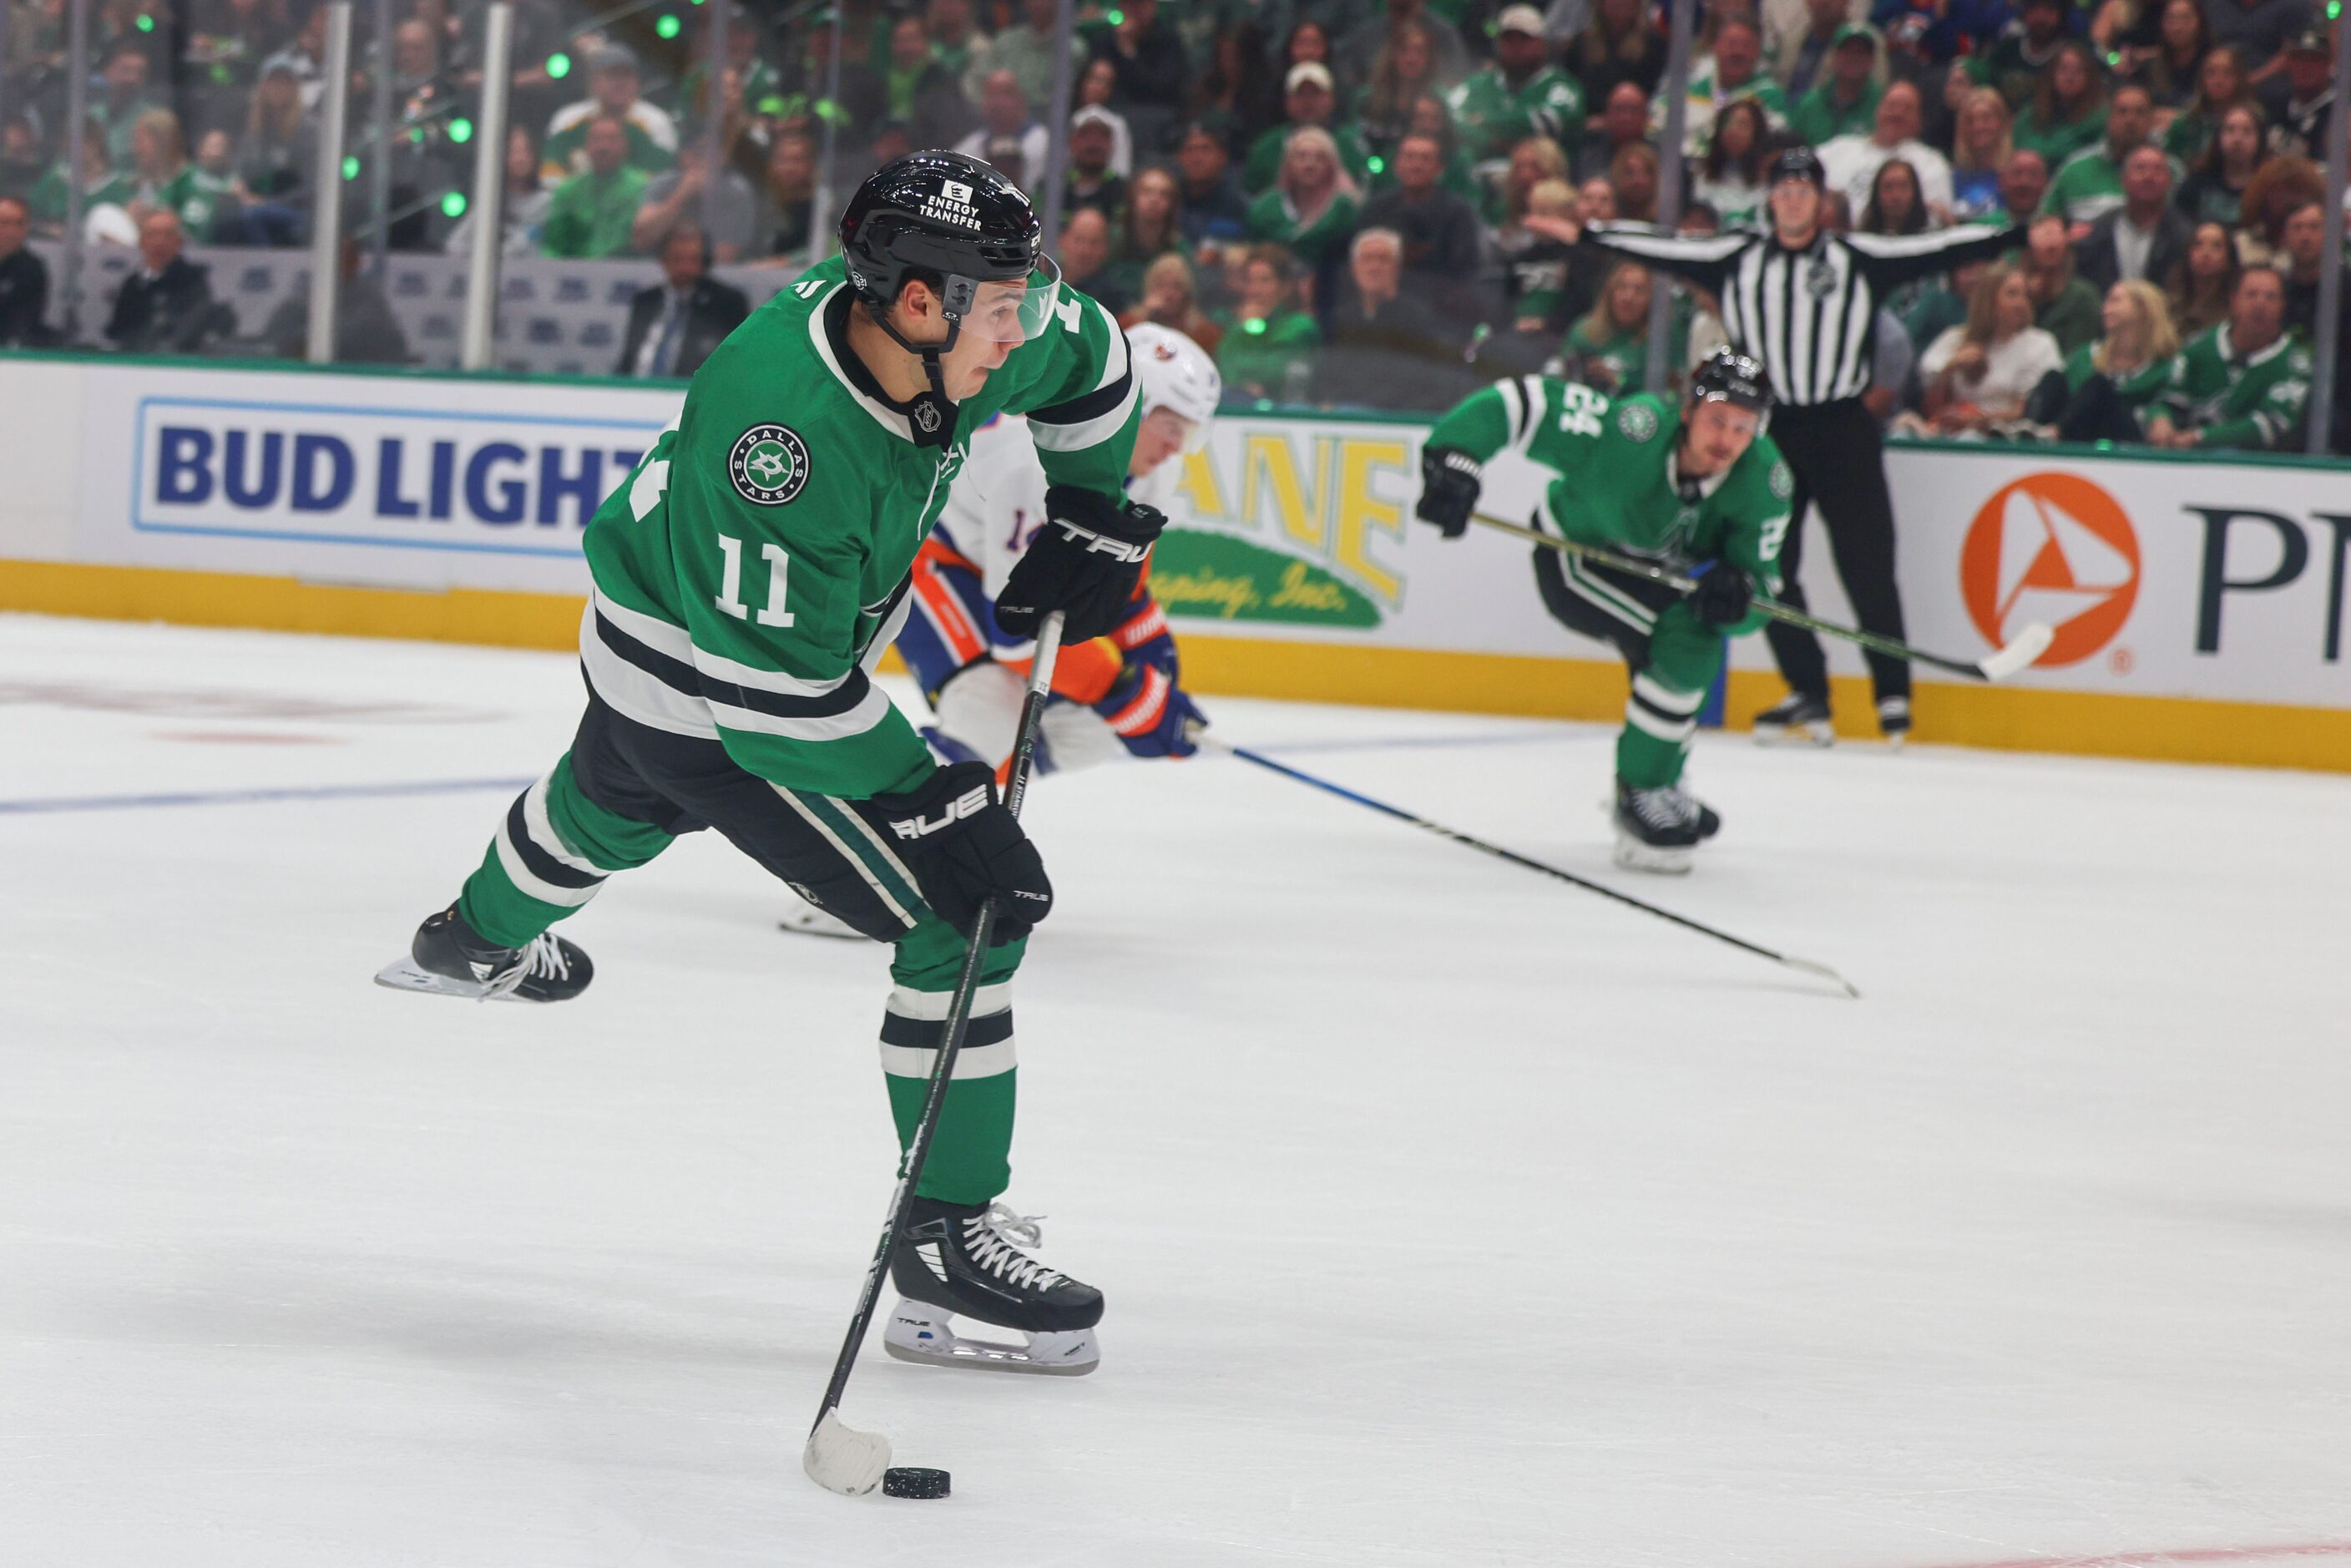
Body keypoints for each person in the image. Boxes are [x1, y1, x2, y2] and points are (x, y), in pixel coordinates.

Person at [374, 151, 1149, 1377]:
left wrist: (1095, 504)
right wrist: (935, 795)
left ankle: (466, 938)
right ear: (915, 303)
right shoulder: (780, 433)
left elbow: (1104, 357)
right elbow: (771, 702)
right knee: (966, 911)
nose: (1020, 326)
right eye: (998, 307)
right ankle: (943, 1238)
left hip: (648, 635)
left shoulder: (952, 315)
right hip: (712, 688)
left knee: (607, 806)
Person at [1575, 146, 2015, 746]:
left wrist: (2012, 232)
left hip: (1843, 426)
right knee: (1770, 565)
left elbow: (1936, 248)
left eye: (1804, 190)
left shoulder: (1856, 257)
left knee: (1868, 562)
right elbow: (1666, 246)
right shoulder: (1737, 258)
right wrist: (1588, 232)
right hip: (1772, 429)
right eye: (1783, 190)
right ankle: (1808, 690)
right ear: (1770, 200)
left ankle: (1892, 696)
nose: (1793, 201)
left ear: (1821, 200)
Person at [1414, 350, 1792, 873]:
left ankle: (1660, 778)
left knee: (1697, 634)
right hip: (1574, 557)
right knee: (1683, 640)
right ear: (1687, 411)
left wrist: (1739, 595)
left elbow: (1763, 591)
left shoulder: (1766, 484)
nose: (1726, 440)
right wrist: (1455, 456)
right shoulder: (1631, 431)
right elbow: (1523, 402)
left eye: (1743, 427)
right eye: (1717, 420)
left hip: (1650, 574)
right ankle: (1642, 789)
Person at [889, 320, 1216, 798]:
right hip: (934, 555)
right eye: (1171, 429)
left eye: (1187, 435)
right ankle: (907, 806)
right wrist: (1124, 691)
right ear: (1133, 408)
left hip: (1003, 566)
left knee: (1088, 734)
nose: (1174, 449)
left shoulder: (1153, 469)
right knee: (991, 717)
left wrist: (1150, 654)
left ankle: (971, 803)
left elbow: (1121, 582)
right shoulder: (1034, 463)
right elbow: (1019, 632)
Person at [2146, 263, 2310, 448]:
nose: (2260, 304)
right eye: (2251, 294)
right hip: (2189, 464)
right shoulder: (2198, 347)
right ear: (2234, 301)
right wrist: (2160, 420)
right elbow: (2167, 400)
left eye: (2271, 297)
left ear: (2282, 306)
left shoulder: (2294, 363)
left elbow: (2270, 426)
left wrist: (2200, 438)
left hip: (2258, 469)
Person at [1910, 260, 2066, 432]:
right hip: (1953, 435)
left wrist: (1976, 420)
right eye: (2012, 294)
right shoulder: (1955, 338)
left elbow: (2028, 412)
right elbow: (1931, 410)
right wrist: (1951, 367)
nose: (2020, 303)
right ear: (1988, 299)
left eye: (2026, 295)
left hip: (2006, 438)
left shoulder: (2040, 344)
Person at [1317, 226, 1460, 407]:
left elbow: (1413, 382)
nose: (1374, 267)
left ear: (1398, 269)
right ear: (1354, 269)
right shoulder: (1341, 319)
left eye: (1383, 259)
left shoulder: (1416, 319)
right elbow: (1326, 378)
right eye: (1367, 259)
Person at [2030, 279, 2182, 441]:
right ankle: (2027, 432)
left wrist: (2158, 416)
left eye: (2115, 301)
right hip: (2080, 433)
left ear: (2143, 309)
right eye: (2107, 301)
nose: (2106, 309)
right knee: (2053, 378)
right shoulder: (2086, 356)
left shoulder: (2168, 365)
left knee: (2099, 385)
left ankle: (2053, 433)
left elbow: (2170, 405)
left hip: (2128, 438)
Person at [1446, 5, 1586, 168]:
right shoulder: (1475, 85)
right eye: (1507, 39)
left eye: (1524, 38)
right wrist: (1497, 140)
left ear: (1542, 44)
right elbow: (1450, 119)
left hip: (1540, 179)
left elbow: (1549, 122)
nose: (1515, 46)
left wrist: (1482, 122)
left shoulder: (1562, 86)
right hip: (1480, 174)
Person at [616, 224, 751, 379]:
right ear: (664, 260)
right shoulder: (646, 301)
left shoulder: (726, 302)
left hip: (688, 392)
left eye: (693, 260)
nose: (685, 268)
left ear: (705, 262)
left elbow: (735, 363)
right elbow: (628, 359)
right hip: (634, 392)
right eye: (677, 259)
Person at [1818, 80, 1955, 220]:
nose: (1897, 113)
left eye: (1907, 109)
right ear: (1877, 109)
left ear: (1920, 120)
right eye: (1892, 105)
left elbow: (1938, 219)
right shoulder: (1839, 148)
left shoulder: (1931, 163)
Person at [541, 46, 679, 185]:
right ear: (593, 82)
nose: (620, 83)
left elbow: (662, 178)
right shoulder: (568, 119)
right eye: (612, 76)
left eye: (627, 76)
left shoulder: (656, 122)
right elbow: (551, 175)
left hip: (636, 204)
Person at [2043, 83, 2173, 228]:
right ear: (2108, 118)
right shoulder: (2074, 170)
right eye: (2122, 111)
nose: (2130, 120)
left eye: (2139, 112)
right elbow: (2043, 225)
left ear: (2151, 120)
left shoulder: (2170, 170)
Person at [2075, 144, 2194, 292]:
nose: (2149, 177)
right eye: (2140, 168)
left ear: (2169, 182)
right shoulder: (2096, 233)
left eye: (2158, 170)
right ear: (2123, 179)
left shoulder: (2186, 237)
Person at [1244, 125, 1361, 275]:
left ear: (1332, 166)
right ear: (1288, 164)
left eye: (1320, 158)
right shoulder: (1263, 209)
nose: (1310, 165)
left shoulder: (1346, 211)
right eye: (1301, 157)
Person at [1243, 63, 1371, 195]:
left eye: (1316, 93)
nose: (1308, 101)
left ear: (1331, 99)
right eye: (1300, 94)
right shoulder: (1266, 147)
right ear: (1287, 101)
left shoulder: (1350, 144)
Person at [1213, 242, 1319, 399]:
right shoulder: (1236, 326)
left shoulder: (1300, 326)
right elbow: (1226, 368)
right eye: (1250, 280)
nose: (1255, 289)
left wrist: (1249, 332)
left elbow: (1275, 373)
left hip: (1287, 410)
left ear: (1285, 287)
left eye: (1265, 280)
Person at [104, 210, 220, 353]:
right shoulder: (132, 284)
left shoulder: (192, 281)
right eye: (152, 235)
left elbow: (192, 329)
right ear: (141, 241)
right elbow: (118, 330)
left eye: (167, 235)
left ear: (179, 242)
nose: (159, 242)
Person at [540, 114, 650, 259]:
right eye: (596, 139)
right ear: (585, 146)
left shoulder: (643, 189)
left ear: (625, 145)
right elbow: (554, 247)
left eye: (612, 140)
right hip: (572, 274)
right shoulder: (567, 192)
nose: (603, 147)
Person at [2014, 41, 2112, 170]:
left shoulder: (2101, 119)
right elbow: (2019, 151)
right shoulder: (2030, 115)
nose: (2070, 77)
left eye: (2078, 71)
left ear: (2090, 77)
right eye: (2063, 69)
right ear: (2052, 74)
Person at [2020, 212, 2106, 353]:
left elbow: (2079, 352)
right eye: (2043, 236)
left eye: (2054, 235)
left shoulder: (2082, 296)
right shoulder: (2016, 294)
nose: (2050, 245)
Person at [1789, 23, 1884, 145]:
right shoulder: (1810, 104)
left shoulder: (1882, 106)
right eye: (1847, 51)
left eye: (1860, 52)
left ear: (1871, 60)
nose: (1853, 58)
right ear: (1834, 56)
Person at [2175, 100, 2267, 225]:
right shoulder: (2197, 183)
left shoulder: (2269, 187)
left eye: (2247, 131)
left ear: (2260, 139)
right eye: (2230, 130)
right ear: (2218, 137)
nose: (2237, 139)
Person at [954, 68, 1054, 182]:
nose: (997, 103)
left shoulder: (1046, 144)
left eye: (1005, 94)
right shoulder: (970, 148)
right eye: (991, 94)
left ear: (1022, 99)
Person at [1119, 251, 1222, 354]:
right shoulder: (1128, 323)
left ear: (1186, 292)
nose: (1168, 294)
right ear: (1150, 288)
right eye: (1161, 285)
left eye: (1176, 286)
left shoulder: (1202, 332)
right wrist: (1144, 313)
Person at [1174, 122, 1250, 246]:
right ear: (1179, 158)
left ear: (1222, 157)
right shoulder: (1168, 201)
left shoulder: (1241, 205)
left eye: (1206, 149)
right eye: (1189, 150)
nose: (1196, 158)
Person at [2166, 218, 2242, 333]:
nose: (2206, 253)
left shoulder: (2236, 309)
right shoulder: (2170, 301)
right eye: (2198, 244)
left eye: (2216, 246)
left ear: (2229, 258)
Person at [1058, 206, 1131, 313]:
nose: (1084, 251)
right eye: (1078, 240)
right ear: (1062, 240)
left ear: (1105, 248)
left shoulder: (1115, 300)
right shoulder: (1043, 281)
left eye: (1094, 243)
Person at [0, 195, 52, 346]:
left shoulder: (32, 268)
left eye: (19, 224)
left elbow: (27, 318)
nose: (12, 232)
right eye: (5, 223)